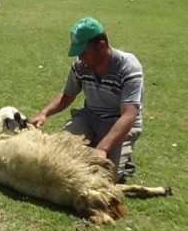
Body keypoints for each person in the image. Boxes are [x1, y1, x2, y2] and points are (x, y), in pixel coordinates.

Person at [30, 17, 143, 183]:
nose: (81, 58)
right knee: (57, 155)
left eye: (84, 52)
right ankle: (96, 145)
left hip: (117, 123)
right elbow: (67, 95)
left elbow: (128, 115)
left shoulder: (129, 67)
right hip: (89, 119)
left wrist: (103, 148)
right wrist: (44, 113)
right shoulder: (81, 66)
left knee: (103, 178)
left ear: (102, 46)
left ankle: (121, 157)